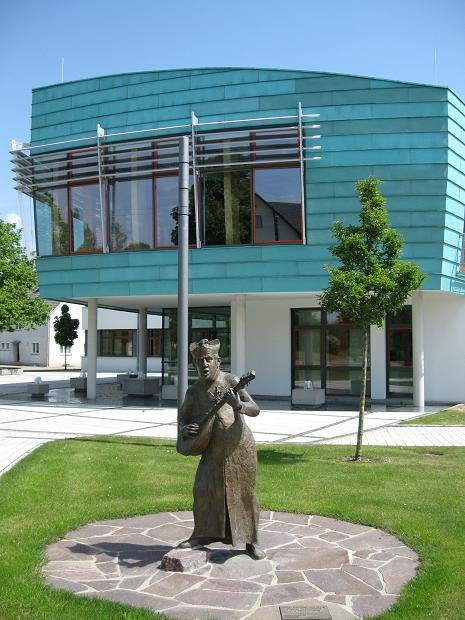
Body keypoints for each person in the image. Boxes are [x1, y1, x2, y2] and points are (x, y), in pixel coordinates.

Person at [176, 338, 265, 560]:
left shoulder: (231, 380)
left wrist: (238, 406)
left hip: (239, 448)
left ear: (218, 361)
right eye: (199, 361)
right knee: (203, 490)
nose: (204, 365)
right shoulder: (194, 391)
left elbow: (255, 409)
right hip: (212, 449)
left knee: (244, 494)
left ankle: (251, 541)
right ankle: (202, 535)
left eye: (208, 359)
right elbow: (183, 417)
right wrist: (185, 429)